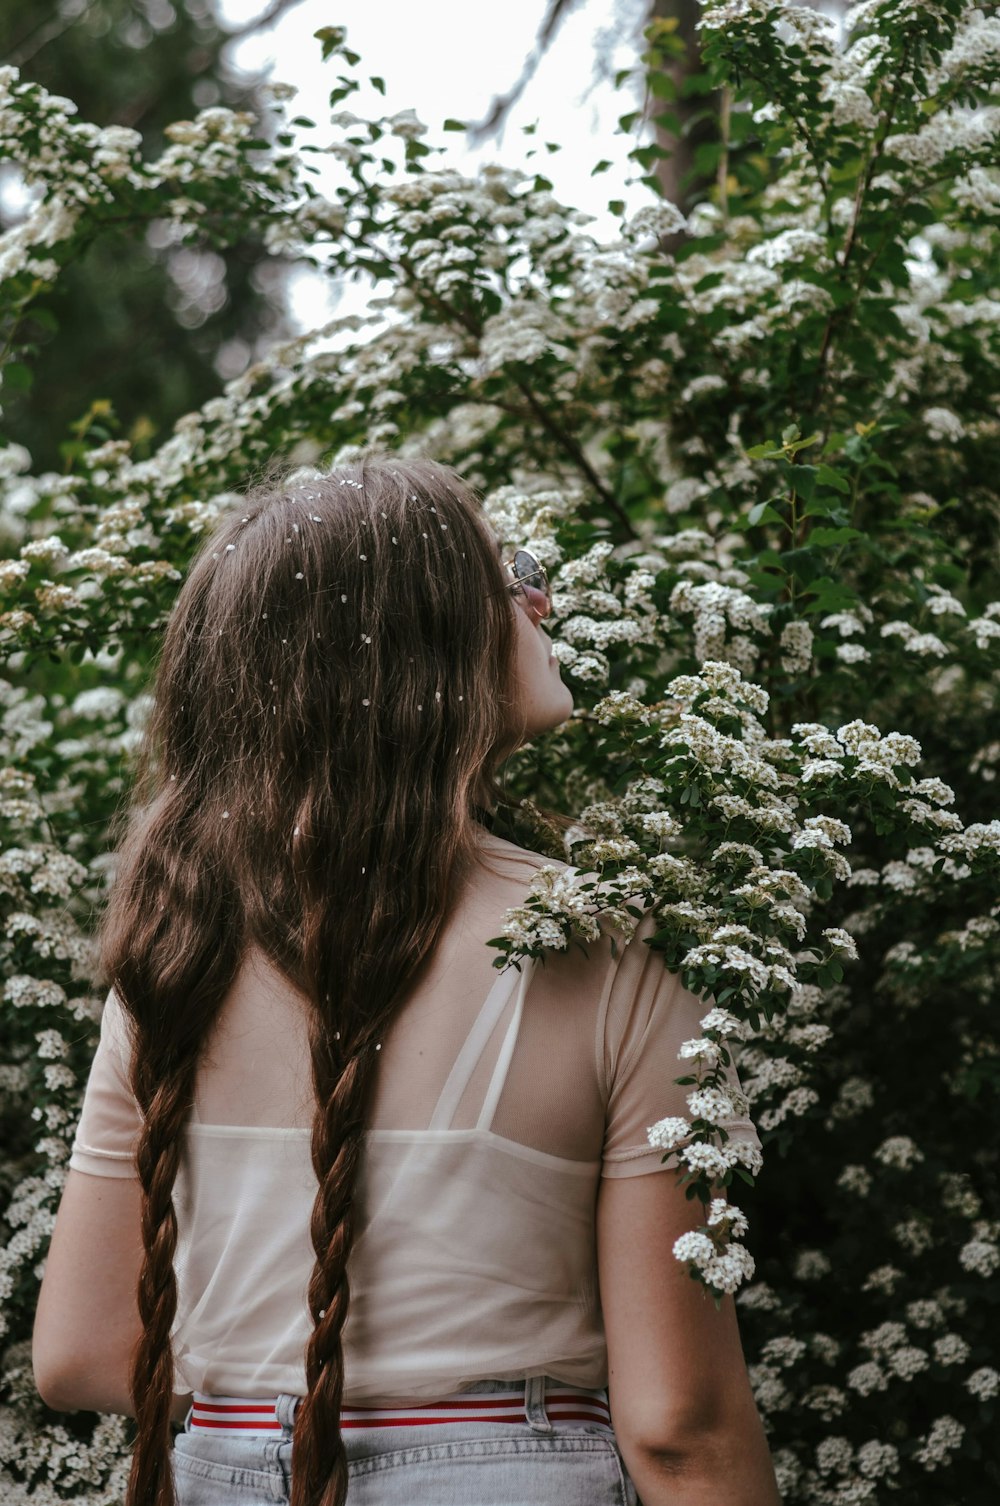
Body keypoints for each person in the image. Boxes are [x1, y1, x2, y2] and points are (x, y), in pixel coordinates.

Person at [32, 457, 781, 1506]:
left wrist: (290, 1391)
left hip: (217, 1467)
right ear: (421, 646)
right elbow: (679, 1427)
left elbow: (78, 1351)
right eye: (506, 574)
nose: (542, 596)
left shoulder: (176, 947)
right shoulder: (602, 944)